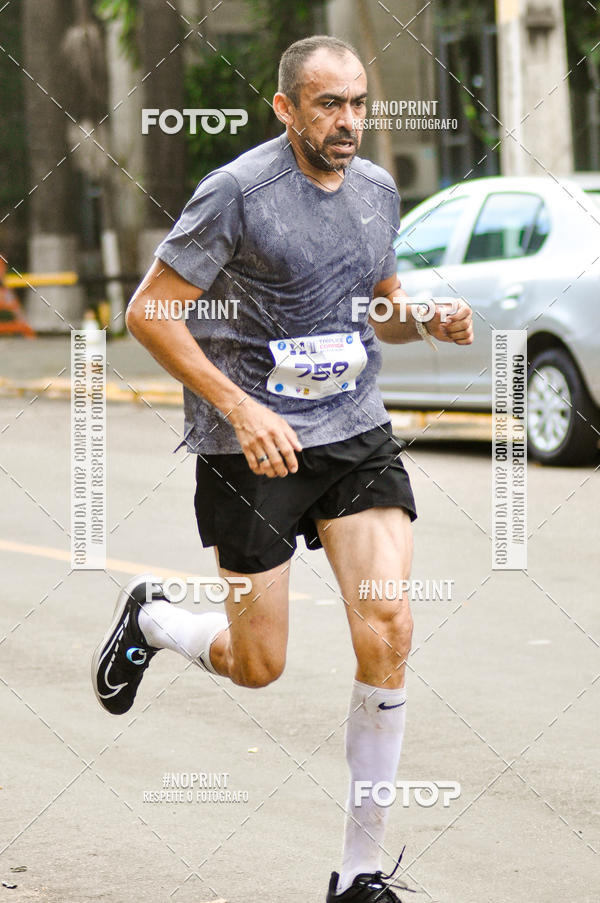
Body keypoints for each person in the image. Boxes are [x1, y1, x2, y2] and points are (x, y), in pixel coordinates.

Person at [92, 35, 473, 902]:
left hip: (352, 431)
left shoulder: (377, 190)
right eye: (329, 104)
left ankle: (359, 872)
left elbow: (383, 310)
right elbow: (149, 313)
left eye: (359, 103)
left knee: (390, 627)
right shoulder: (237, 192)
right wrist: (241, 405)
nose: (349, 122)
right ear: (286, 108)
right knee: (258, 664)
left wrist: (428, 319)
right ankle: (154, 620)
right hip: (251, 443)